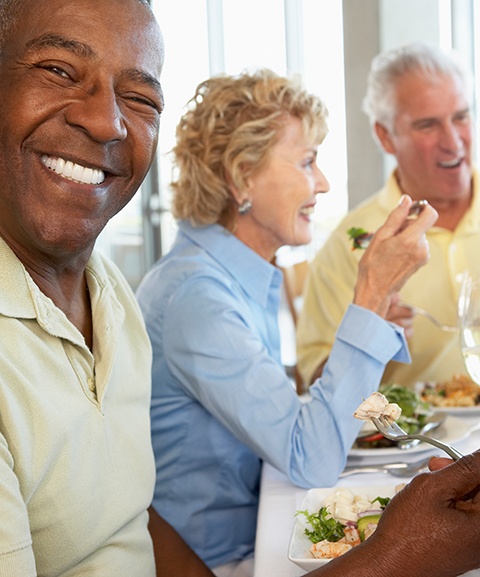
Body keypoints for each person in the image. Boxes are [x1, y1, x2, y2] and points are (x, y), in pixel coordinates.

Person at [135, 68, 438, 576]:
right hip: (220, 561)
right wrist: (373, 292)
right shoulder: (199, 298)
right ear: (240, 177)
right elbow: (311, 458)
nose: (321, 183)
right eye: (307, 161)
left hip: (254, 533)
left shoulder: (225, 277)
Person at [0, 0, 215, 575]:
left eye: (141, 99)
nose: (107, 122)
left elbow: (130, 519)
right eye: (59, 71)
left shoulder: (113, 294)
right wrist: (402, 556)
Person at [297, 42, 479, 389]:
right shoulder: (350, 242)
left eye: (461, 116)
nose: (454, 142)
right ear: (386, 136)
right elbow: (312, 384)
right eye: (428, 125)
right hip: (418, 441)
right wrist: (368, 339)